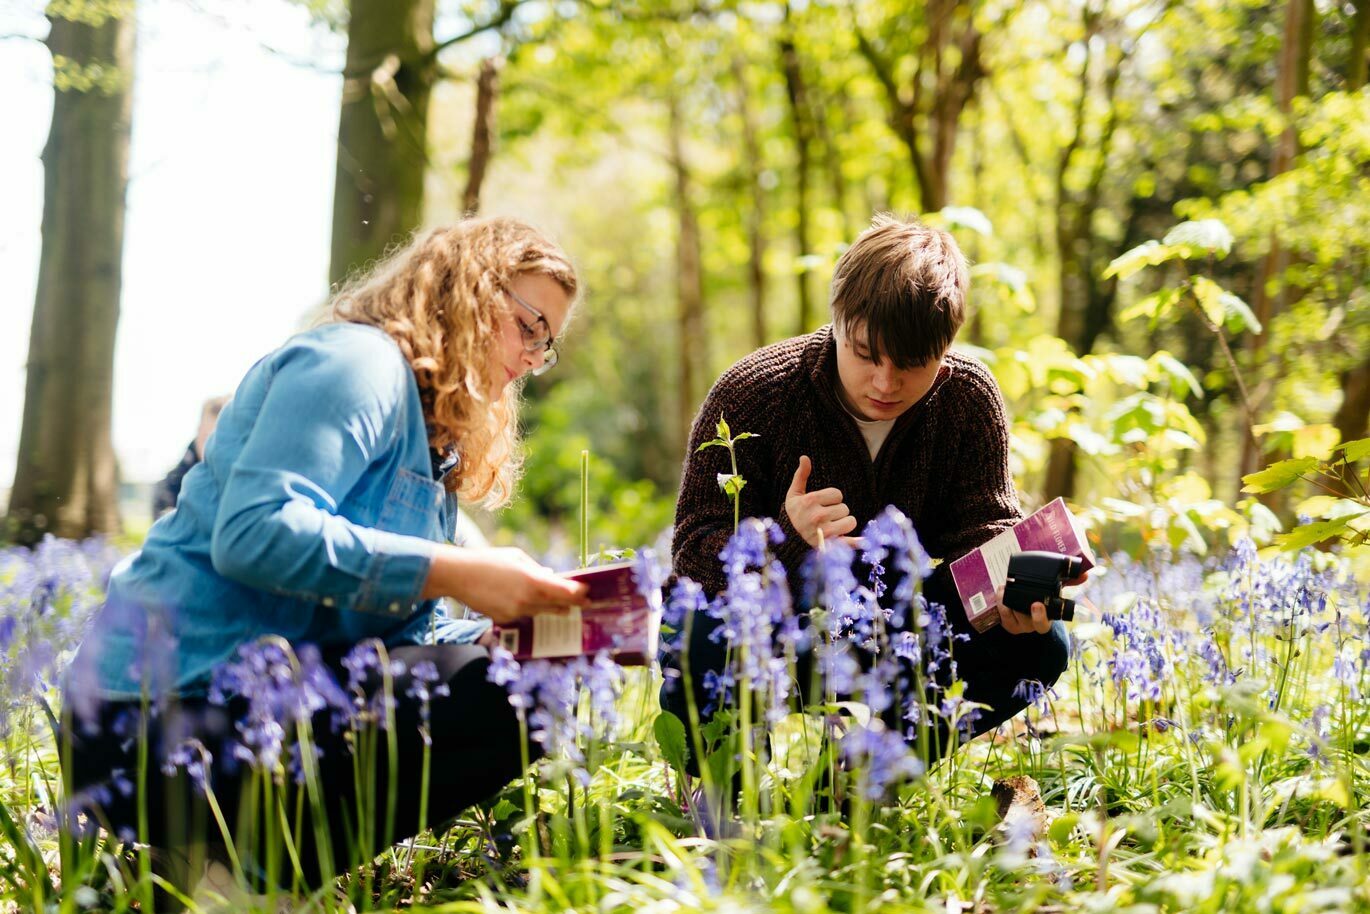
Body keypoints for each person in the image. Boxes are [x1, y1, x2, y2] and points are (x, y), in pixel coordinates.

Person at [64, 218, 590, 893]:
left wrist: (497, 631)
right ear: (471, 291)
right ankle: (235, 874)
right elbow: (256, 532)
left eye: (547, 345)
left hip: (256, 709)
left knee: (528, 677)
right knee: (505, 689)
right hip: (146, 720)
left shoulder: (432, 442)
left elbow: (402, 643)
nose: (532, 358)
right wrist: (458, 571)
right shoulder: (357, 364)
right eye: (529, 324)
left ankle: (237, 868)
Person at [663, 213, 1076, 759]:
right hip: (777, 631)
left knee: (1042, 647)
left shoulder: (969, 399)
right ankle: (729, 807)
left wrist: (1012, 593)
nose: (885, 383)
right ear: (836, 319)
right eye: (864, 354)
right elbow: (693, 552)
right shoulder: (752, 393)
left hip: (901, 632)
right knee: (692, 631)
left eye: (911, 364)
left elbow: (983, 530)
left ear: (946, 348)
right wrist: (787, 541)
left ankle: (868, 782)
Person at [151, 395, 230, 518]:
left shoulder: (243, 482)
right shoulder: (171, 487)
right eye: (207, 437)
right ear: (198, 432)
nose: (211, 448)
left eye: (220, 440)